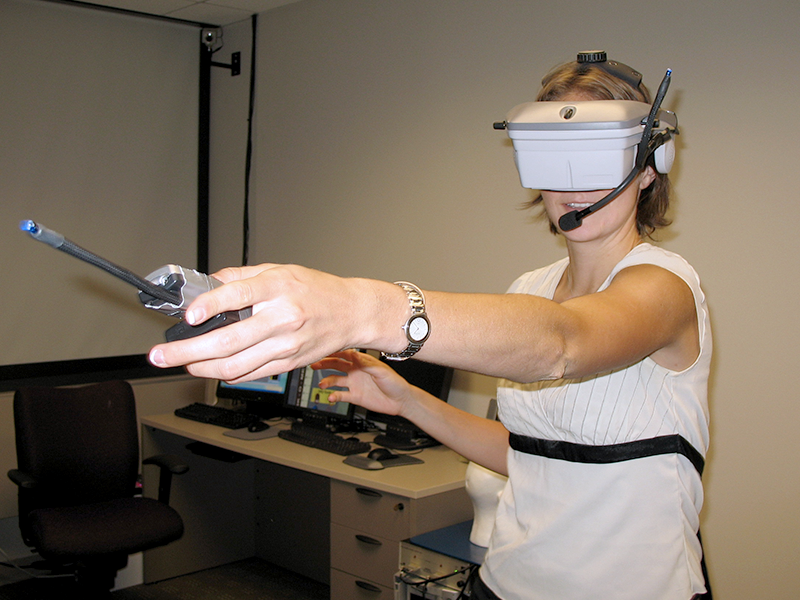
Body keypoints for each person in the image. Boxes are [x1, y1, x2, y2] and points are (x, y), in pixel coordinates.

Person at [148, 55, 711, 600]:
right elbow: (528, 456)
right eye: (550, 151)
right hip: (510, 581)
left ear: (648, 166)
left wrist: (361, 307)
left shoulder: (666, 287)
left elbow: (565, 343)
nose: (571, 178)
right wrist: (408, 401)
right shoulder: (532, 289)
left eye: (596, 152)